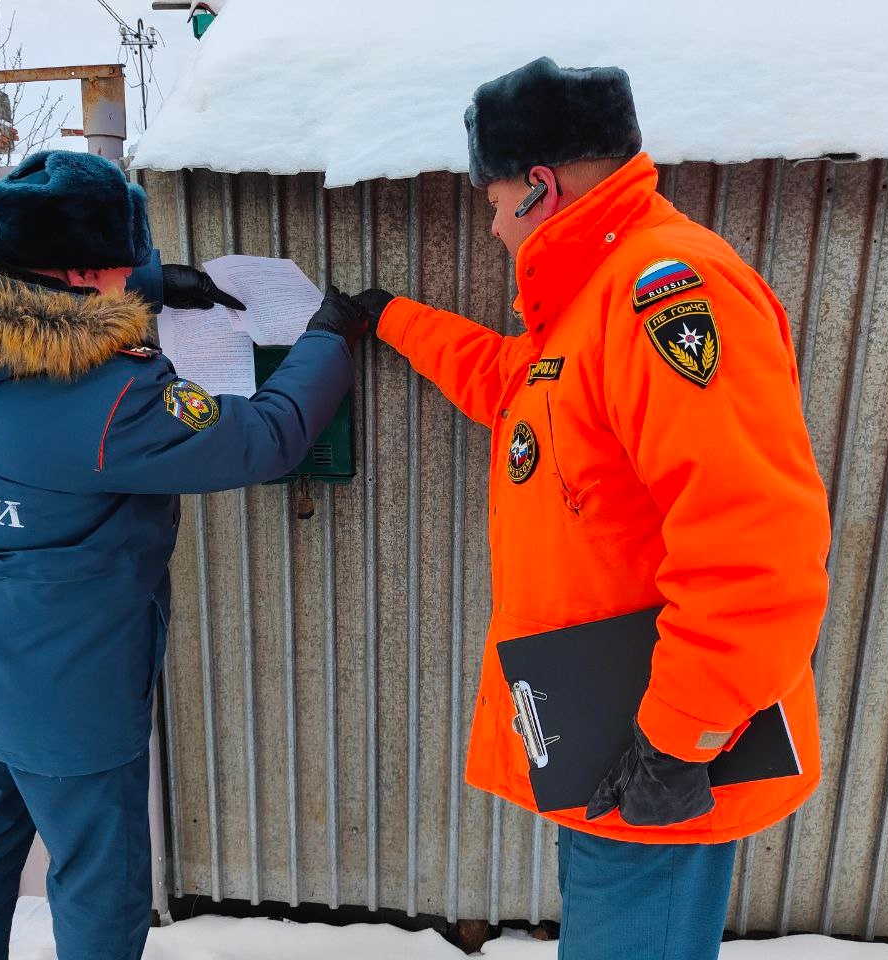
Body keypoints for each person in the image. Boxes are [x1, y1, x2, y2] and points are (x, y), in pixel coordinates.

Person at [354, 58, 831, 960]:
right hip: (608, 734)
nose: (494, 226)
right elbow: (515, 384)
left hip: (661, 748)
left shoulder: (667, 292)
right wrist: (390, 318)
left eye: (496, 202)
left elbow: (755, 544)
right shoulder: (592, 300)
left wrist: (678, 742)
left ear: (541, 186)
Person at [0, 149, 365, 960]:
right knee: (99, 894)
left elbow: (37, 307)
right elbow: (264, 438)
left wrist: (151, 285)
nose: (128, 275)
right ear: (80, 274)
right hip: (68, 704)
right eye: (120, 264)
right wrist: (326, 342)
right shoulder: (108, 399)